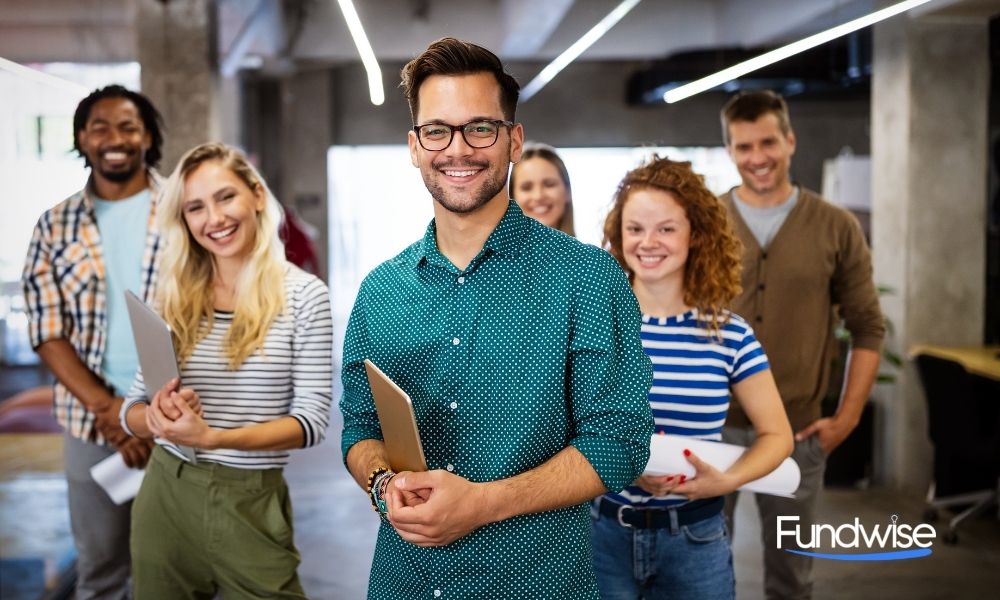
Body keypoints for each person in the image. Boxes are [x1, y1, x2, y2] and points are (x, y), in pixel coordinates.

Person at [339, 37, 654, 599]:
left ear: (513, 141)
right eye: (437, 130)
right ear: (414, 147)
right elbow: (361, 428)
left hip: (538, 583)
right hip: (406, 583)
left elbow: (619, 443)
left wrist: (481, 504)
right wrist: (383, 481)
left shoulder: (587, 279)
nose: (457, 149)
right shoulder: (380, 292)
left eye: (480, 128)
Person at [119, 142, 332, 599]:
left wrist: (212, 438)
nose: (213, 218)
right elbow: (131, 410)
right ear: (184, 220)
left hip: (251, 499)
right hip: (167, 495)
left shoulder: (305, 296)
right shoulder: (173, 294)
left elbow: (310, 423)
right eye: (195, 207)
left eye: (225, 197)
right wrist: (156, 417)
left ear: (256, 194)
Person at [594, 156, 793, 599]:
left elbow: (778, 436)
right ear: (618, 235)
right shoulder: (597, 327)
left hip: (696, 539)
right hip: (604, 537)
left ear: (695, 236)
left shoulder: (730, 336)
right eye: (635, 228)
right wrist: (620, 466)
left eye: (666, 228)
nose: (649, 242)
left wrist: (728, 480)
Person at [718, 90, 885, 599]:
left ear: (790, 141)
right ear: (730, 151)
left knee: (792, 577)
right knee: (702, 573)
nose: (758, 157)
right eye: (744, 147)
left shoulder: (837, 226)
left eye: (768, 142)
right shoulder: (706, 220)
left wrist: (847, 418)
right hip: (711, 429)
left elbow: (867, 327)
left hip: (797, 432)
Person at [22, 84, 165, 599]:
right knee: (102, 570)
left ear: (147, 136)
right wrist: (112, 413)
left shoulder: (186, 212)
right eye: (99, 127)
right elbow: (47, 329)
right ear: (82, 138)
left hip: (181, 420)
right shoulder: (54, 226)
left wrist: (152, 418)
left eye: (128, 126)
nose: (115, 138)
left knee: (185, 569)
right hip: (91, 425)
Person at [509, 142, 576, 235]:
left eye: (549, 184)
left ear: (567, 191)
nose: (538, 196)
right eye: (527, 188)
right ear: (512, 196)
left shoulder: (589, 250)